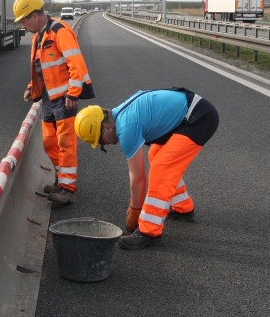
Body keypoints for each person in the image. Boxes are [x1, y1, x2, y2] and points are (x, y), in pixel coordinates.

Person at [74, 88, 219, 250]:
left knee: (161, 168)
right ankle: (182, 207)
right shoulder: (120, 115)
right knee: (156, 155)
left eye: (100, 140)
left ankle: (149, 231)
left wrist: (135, 210)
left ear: (107, 127)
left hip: (198, 118)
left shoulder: (126, 127)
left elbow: (138, 179)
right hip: (191, 114)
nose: (105, 144)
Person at [13, 0, 95, 206]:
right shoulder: (38, 37)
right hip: (49, 98)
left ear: (35, 15)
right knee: (49, 141)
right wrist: (32, 88)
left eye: (24, 19)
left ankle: (67, 188)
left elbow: (76, 64)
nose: (23, 24)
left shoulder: (60, 31)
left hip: (65, 97)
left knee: (65, 142)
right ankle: (62, 179)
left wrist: (73, 93)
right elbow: (41, 68)